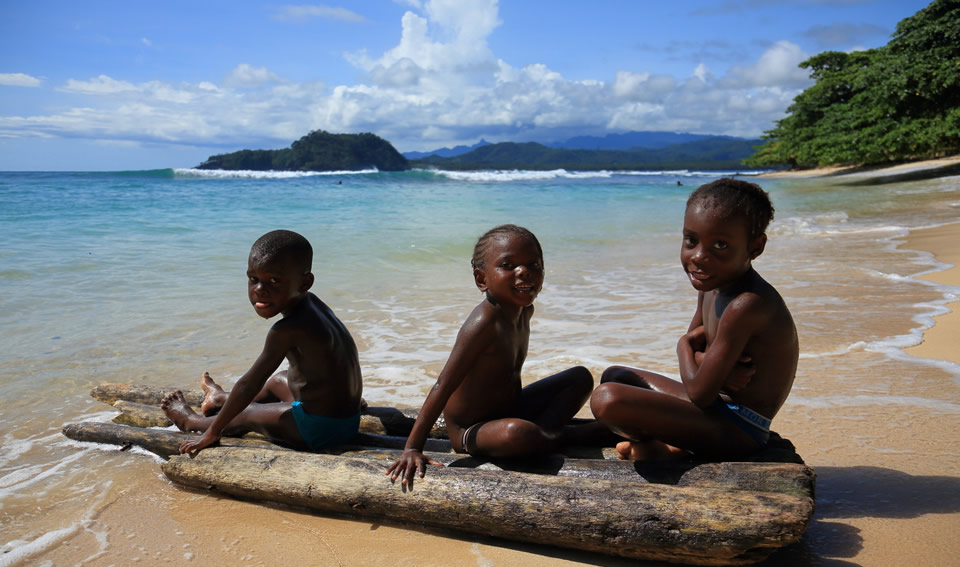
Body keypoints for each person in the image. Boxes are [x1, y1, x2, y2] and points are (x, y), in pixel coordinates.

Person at [590, 178, 798, 460]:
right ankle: (657, 443)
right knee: (616, 376)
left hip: (741, 429)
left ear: (755, 248)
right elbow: (698, 369)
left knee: (607, 398)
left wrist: (684, 347)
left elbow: (698, 390)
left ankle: (663, 447)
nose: (699, 257)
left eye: (720, 245)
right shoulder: (712, 286)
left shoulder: (746, 305)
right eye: (691, 240)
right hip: (714, 409)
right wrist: (708, 365)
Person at [386, 224, 599, 485]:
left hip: (511, 407)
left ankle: (546, 435)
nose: (524, 272)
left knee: (579, 378)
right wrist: (412, 448)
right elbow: (443, 384)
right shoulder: (484, 322)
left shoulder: (524, 310)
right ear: (481, 279)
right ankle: (571, 435)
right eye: (508, 265)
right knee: (518, 433)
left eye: (534, 265)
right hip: (472, 431)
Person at [161, 229, 364, 455]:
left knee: (247, 412)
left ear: (305, 282)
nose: (260, 290)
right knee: (278, 380)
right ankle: (218, 399)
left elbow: (249, 384)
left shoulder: (286, 329)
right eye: (253, 279)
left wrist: (213, 433)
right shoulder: (313, 305)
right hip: (346, 418)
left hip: (321, 430)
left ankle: (193, 422)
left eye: (274, 280)